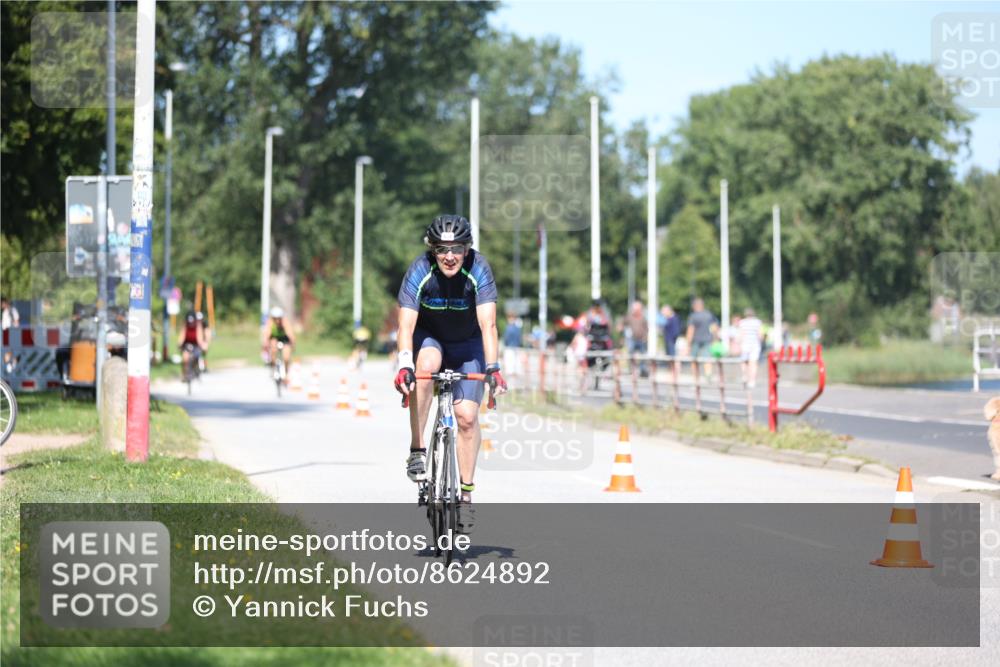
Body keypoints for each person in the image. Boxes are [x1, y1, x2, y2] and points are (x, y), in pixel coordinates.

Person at [394, 215, 507, 534]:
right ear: (432, 250)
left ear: (467, 249)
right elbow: (406, 325)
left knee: (467, 417)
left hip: (469, 344)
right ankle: (418, 451)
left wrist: (493, 368)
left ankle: (466, 497)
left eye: (457, 248)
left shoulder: (479, 269)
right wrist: (405, 364)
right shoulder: (420, 269)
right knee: (425, 367)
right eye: (442, 249)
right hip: (430, 339)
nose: (450, 256)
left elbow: (488, 325)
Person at [685, 297, 718, 376]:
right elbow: (714, 328)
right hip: (708, 340)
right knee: (707, 359)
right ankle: (708, 374)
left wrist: (688, 344)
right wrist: (715, 339)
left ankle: (695, 377)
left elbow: (691, 330)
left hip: (695, 341)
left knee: (694, 359)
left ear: (695, 306)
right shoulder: (709, 315)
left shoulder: (693, 316)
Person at [261, 306, 295, 375]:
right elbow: (267, 333)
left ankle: (286, 372)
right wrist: (265, 344)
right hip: (274, 338)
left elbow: (290, 334)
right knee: (273, 348)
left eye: (279, 318)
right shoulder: (270, 322)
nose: (277, 321)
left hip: (284, 338)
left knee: (286, 357)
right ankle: (273, 367)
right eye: (275, 318)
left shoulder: (285, 322)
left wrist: (292, 343)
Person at [738, 307, 764, 388]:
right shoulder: (758, 322)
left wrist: (739, 344)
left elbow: (741, 335)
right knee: (753, 363)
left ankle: (745, 376)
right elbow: (760, 335)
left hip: (745, 344)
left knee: (744, 362)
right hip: (755, 345)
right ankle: (752, 381)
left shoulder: (742, 322)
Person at [178, 310, 207, 379]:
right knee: (185, 358)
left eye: (192, 322)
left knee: (195, 356)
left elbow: (199, 337)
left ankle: (195, 369)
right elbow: (182, 336)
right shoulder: (185, 326)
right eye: (189, 322)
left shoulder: (198, 326)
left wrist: (202, 345)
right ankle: (184, 374)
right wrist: (179, 344)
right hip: (187, 344)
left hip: (196, 344)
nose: (191, 323)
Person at [1, 296, 19, 374]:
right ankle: (9, 366)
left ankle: (12, 366)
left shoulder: (12, 310)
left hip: (11, 333)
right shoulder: (5, 312)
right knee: (6, 351)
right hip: (5, 333)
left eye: (2, 303)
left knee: (11, 351)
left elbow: (16, 321)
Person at [502, 312, 523, 377]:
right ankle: (515, 373)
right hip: (516, 346)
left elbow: (506, 338)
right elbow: (519, 338)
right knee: (516, 361)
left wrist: (505, 344)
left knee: (509, 361)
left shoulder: (508, 327)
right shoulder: (517, 328)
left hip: (509, 347)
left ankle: (510, 374)